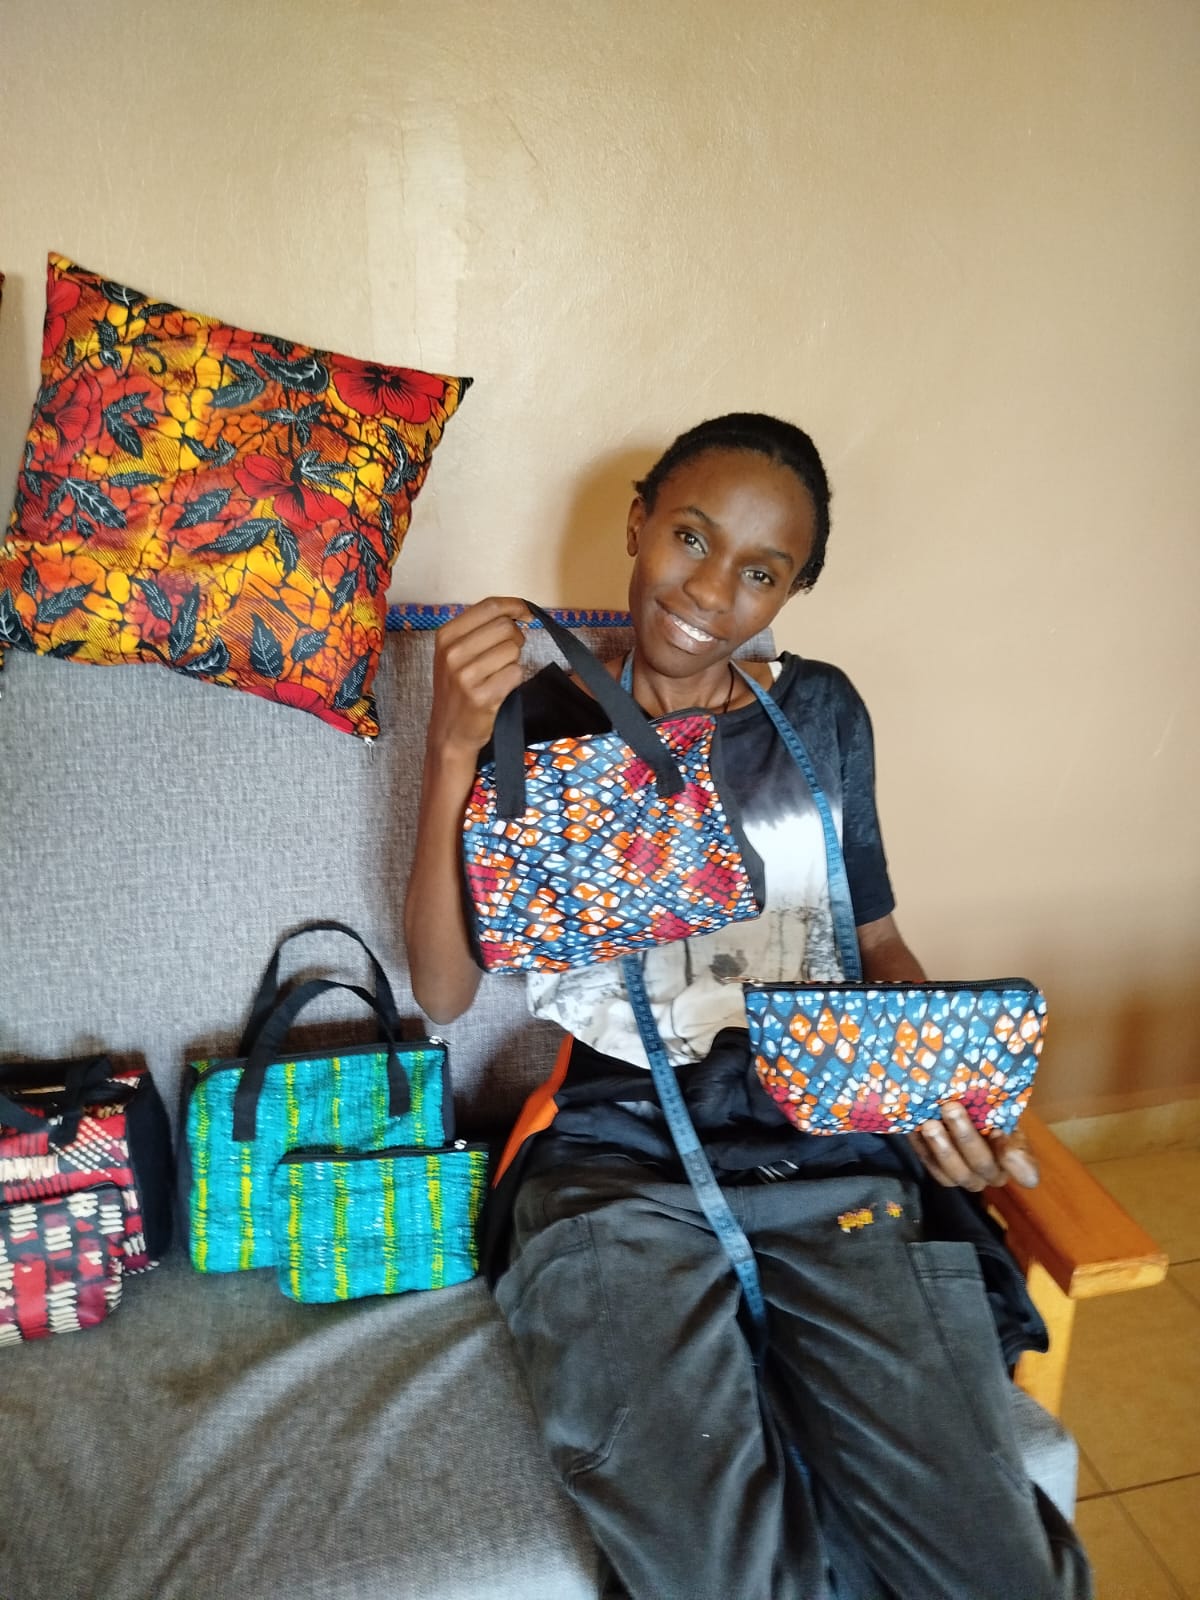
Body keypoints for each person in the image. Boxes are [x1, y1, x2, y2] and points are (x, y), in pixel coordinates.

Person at [405, 414, 1091, 1600]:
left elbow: (875, 944)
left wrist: (940, 1081)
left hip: (823, 1156)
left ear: (792, 590)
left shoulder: (821, 716)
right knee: (729, 1575)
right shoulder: (537, 715)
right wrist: (451, 749)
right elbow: (441, 990)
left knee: (998, 1574)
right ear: (638, 522)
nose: (710, 591)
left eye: (760, 572)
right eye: (690, 537)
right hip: (611, 1171)